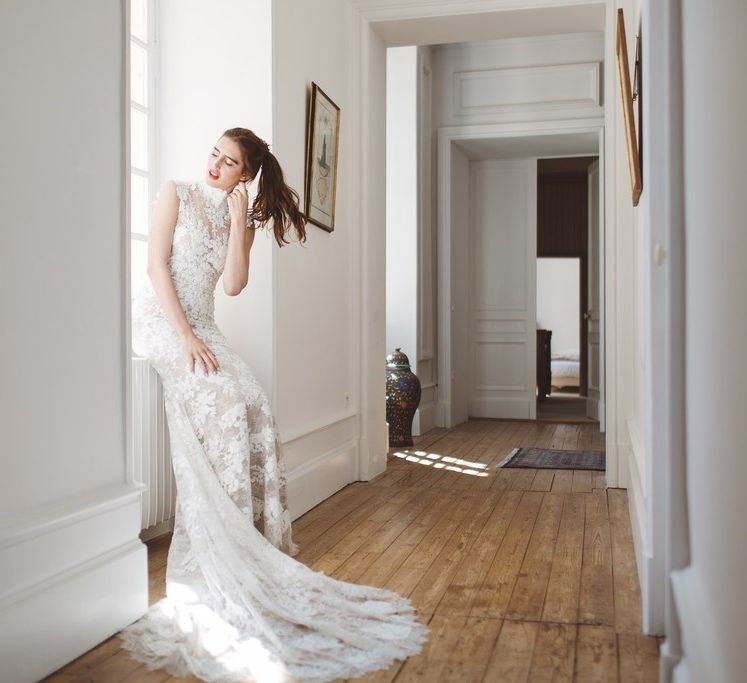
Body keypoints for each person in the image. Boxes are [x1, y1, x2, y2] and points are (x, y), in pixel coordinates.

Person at [120, 128, 429, 682]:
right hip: (163, 321)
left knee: (253, 400)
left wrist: (239, 222)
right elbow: (155, 269)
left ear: (246, 174)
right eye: (214, 153)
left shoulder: (242, 220)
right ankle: (220, 546)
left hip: (206, 324)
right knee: (217, 394)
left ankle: (251, 542)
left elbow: (234, 285)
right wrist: (186, 337)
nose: (214, 164)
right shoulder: (176, 193)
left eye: (228, 161)